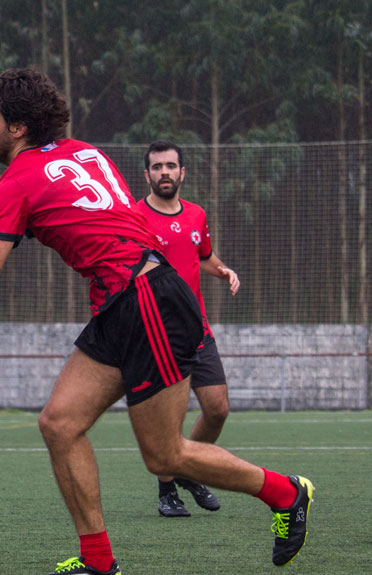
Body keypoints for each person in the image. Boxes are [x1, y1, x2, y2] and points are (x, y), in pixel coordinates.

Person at [0, 68, 313, 574]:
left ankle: (286, 493)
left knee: (164, 457)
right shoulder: (84, 150)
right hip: (126, 301)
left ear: (17, 128)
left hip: (146, 301)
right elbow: (96, 218)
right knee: (59, 425)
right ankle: (98, 561)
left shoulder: (16, 181)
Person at [134, 140, 239, 518]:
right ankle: (167, 493)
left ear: (183, 172)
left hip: (198, 328)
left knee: (218, 409)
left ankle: (187, 469)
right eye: (157, 167)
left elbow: (203, 256)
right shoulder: (134, 217)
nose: (165, 172)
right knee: (168, 420)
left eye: (171, 166)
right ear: (147, 175)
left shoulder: (196, 214)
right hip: (156, 334)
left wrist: (223, 269)